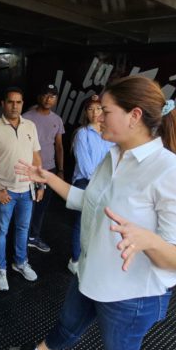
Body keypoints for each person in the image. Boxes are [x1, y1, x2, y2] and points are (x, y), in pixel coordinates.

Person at [10, 75, 176, 350]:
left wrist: (147, 240)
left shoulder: (173, 173)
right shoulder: (113, 156)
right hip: (90, 272)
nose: (98, 116)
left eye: (106, 110)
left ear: (134, 116)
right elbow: (89, 202)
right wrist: (48, 178)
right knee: (67, 325)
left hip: (128, 296)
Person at [0, 86, 41, 291]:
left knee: (23, 229)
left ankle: (20, 262)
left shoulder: (30, 126)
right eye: (11, 102)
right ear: (4, 104)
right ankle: (0, 269)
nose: (15, 106)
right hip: (5, 191)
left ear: (23, 104)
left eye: (19, 102)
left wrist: (39, 183)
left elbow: (36, 157)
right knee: (0, 231)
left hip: (27, 189)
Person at [68, 96, 113, 275]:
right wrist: (103, 181)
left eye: (99, 108)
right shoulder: (82, 134)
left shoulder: (109, 133)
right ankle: (76, 259)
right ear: (85, 112)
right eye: (90, 109)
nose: (95, 113)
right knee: (82, 222)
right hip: (86, 182)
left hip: (106, 183)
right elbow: (86, 168)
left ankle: (92, 257)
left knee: (101, 223)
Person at [22, 83, 65, 253]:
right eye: (46, 95)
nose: (48, 99)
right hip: (30, 170)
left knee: (41, 207)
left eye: (52, 96)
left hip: (49, 169)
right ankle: (22, 239)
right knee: (27, 206)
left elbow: (59, 146)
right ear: (39, 97)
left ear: (56, 99)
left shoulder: (57, 120)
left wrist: (60, 170)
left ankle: (33, 237)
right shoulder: (26, 117)